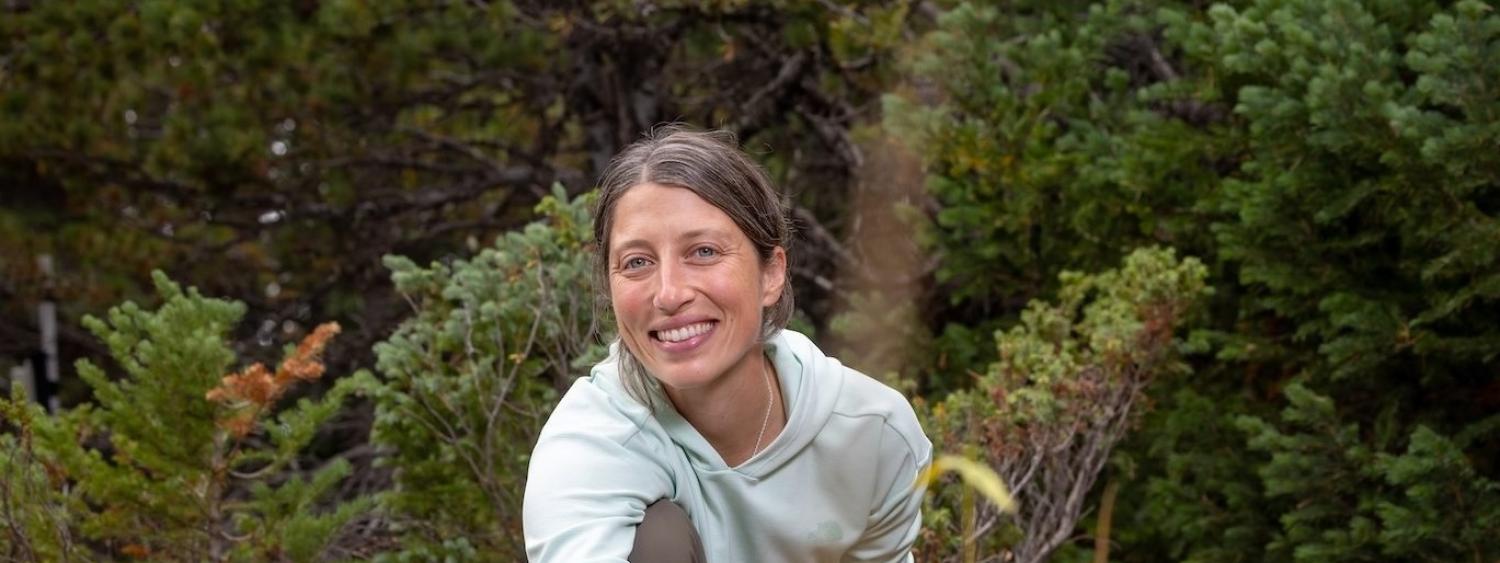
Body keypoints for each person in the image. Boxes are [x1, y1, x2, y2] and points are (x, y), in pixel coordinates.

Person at [522, 126, 932, 562]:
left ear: (771, 274)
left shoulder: (870, 432)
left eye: (703, 252)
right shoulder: (591, 446)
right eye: (637, 262)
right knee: (657, 539)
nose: (669, 293)